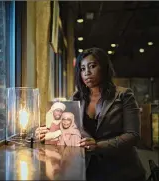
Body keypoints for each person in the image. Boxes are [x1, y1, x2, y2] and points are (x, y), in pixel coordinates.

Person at [36, 47, 146, 181]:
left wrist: (98, 146)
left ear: (104, 68)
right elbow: (66, 126)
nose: (87, 72)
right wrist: (45, 131)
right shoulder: (76, 97)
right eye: (82, 69)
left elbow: (133, 136)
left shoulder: (124, 95)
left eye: (92, 66)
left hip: (121, 170)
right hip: (87, 168)